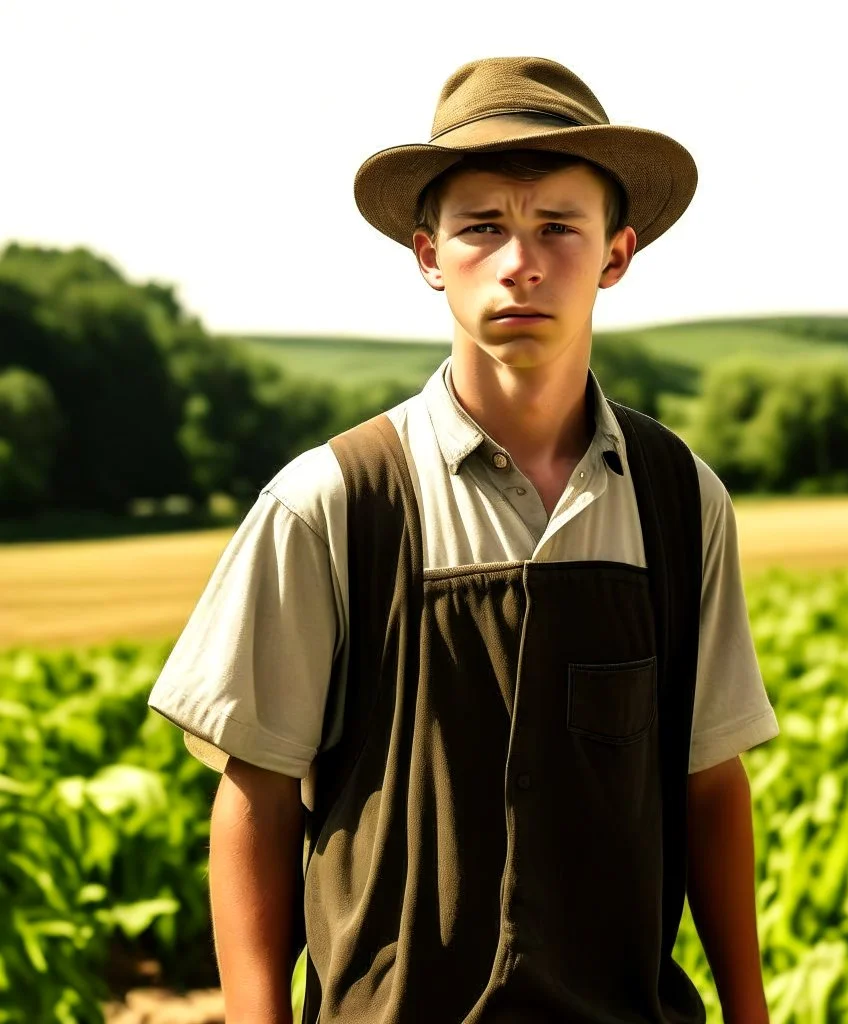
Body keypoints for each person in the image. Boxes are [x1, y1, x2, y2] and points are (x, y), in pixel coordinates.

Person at [148, 55, 780, 1024]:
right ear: (427, 255)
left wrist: (750, 1012)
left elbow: (710, 782)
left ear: (615, 253)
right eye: (481, 227)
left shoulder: (677, 496)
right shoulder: (332, 499)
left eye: (556, 227)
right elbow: (255, 794)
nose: (519, 261)